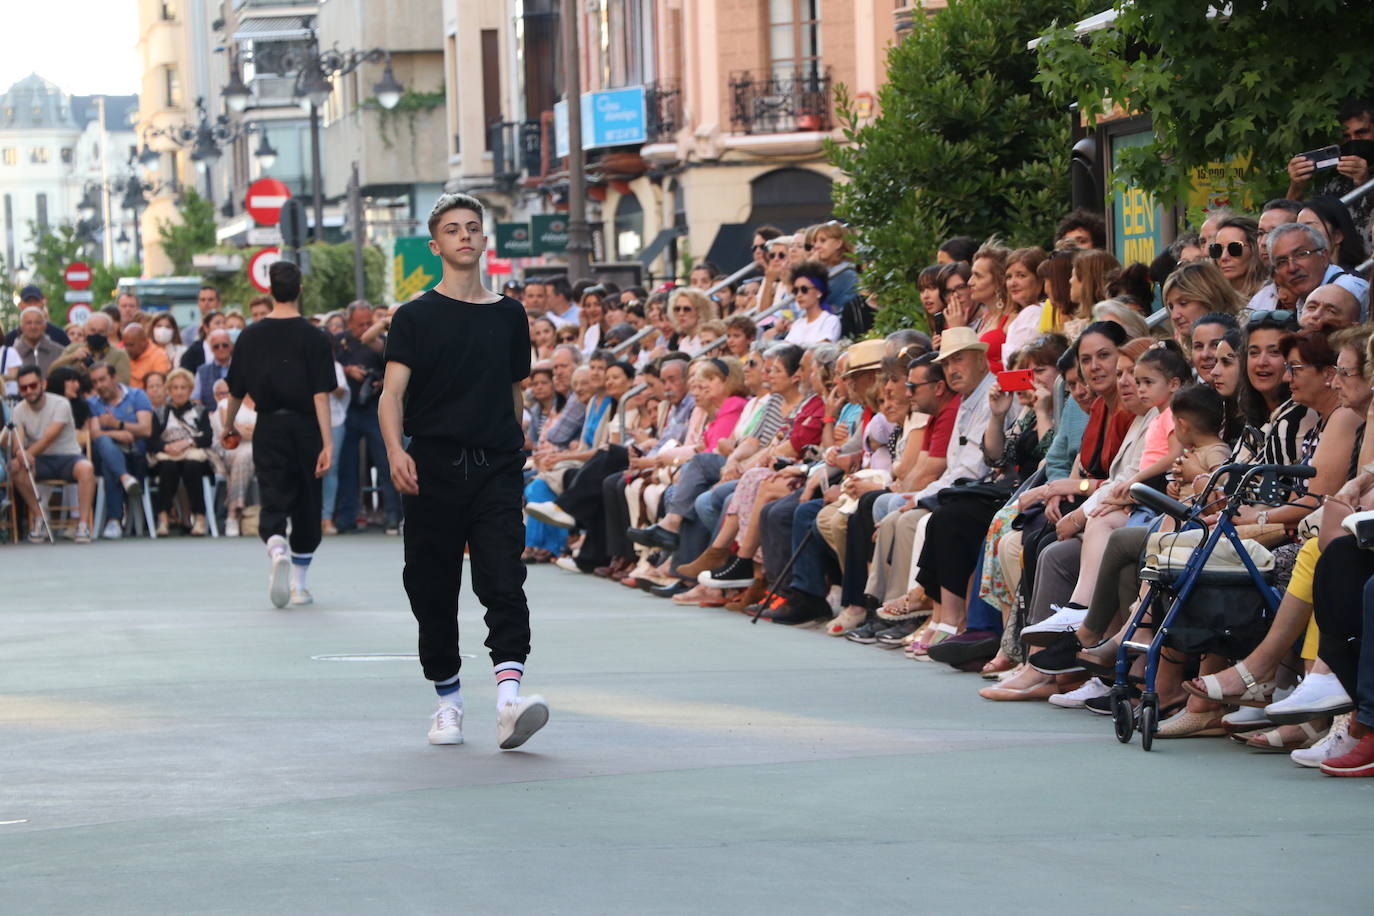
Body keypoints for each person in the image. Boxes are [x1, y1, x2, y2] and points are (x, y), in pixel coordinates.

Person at [379, 192, 549, 751]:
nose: (465, 236)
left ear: (483, 239)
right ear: (436, 245)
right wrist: (396, 451)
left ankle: (508, 700)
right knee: (431, 586)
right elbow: (391, 395)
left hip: (497, 465)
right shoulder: (414, 316)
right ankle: (448, 701)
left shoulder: (509, 314)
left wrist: (515, 439)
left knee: (503, 577)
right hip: (432, 466)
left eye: (473, 227)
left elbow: (514, 388)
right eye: (453, 229)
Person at [223, 260, 335, 609]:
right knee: (307, 500)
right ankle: (300, 585)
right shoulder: (315, 337)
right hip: (305, 427)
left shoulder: (250, 336)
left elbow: (236, 390)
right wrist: (328, 442)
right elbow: (321, 394)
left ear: (269, 290)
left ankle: (276, 547)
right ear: (300, 289)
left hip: (267, 424)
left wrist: (228, 426)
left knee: (272, 493)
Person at [5, 365, 96, 543]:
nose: (29, 391)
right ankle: (40, 518)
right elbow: (18, 438)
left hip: (68, 457)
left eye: (33, 385)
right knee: (16, 470)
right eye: (24, 388)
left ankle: (83, 525)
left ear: (43, 384)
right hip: (40, 461)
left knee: (87, 468)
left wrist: (25, 454)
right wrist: (19, 453)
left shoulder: (61, 403)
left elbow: (49, 437)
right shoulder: (18, 410)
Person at [333, 301, 401, 533]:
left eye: (367, 323)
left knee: (385, 462)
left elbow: (393, 365)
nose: (363, 327)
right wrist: (346, 370)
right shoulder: (338, 340)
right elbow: (327, 367)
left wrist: (380, 381)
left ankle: (393, 515)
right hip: (347, 409)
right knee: (347, 466)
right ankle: (346, 517)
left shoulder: (377, 340)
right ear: (349, 322)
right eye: (359, 324)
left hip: (375, 407)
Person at [87, 361, 153, 539]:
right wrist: (121, 434)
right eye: (95, 382)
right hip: (105, 455)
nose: (99, 386)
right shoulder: (92, 403)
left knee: (110, 457)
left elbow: (146, 429)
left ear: (114, 378)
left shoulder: (137, 395)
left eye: (102, 379)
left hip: (135, 454)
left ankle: (114, 520)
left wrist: (116, 424)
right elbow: (95, 434)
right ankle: (125, 478)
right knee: (105, 446)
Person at [150, 368, 214, 536]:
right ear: (169, 390)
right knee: (168, 467)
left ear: (190, 390)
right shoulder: (160, 412)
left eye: (183, 387)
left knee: (192, 467)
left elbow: (207, 437)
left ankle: (200, 517)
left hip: (193, 454)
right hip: (168, 455)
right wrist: (166, 447)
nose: (179, 392)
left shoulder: (200, 411)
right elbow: (152, 440)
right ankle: (163, 517)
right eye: (175, 388)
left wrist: (188, 442)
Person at [52, 313, 131, 384]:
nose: (96, 334)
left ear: (109, 332)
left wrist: (91, 371)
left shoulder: (119, 354)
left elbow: (123, 382)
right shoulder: (73, 349)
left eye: (101, 332)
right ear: (85, 330)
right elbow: (52, 372)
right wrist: (73, 356)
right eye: (92, 330)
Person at [3, 285, 68, 347]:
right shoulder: (9, 339)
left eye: (36, 301)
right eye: (28, 302)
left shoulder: (59, 335)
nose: (32, 305)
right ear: (20, 305)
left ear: (43, 303)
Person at [10, 306, 64, 377]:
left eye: (37, 322)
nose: (33, 327)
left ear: (44, 326)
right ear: (21, 327)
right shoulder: (12, 354)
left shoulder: (59, 351)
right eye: (28, 323)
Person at [121, 322, 171, 391]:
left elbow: (157, 387)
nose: (127, 349)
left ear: (144, 341)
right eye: (125, 345)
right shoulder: (122, 354)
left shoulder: (159, 356)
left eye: (131, 345)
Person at [194, 329, 234, 405]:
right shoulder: (202, 371)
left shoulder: (241, 368)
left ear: (231, 346)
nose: (221, 348)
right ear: (211, 349)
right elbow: (195, 399)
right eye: (216, 346)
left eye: (225, 345)